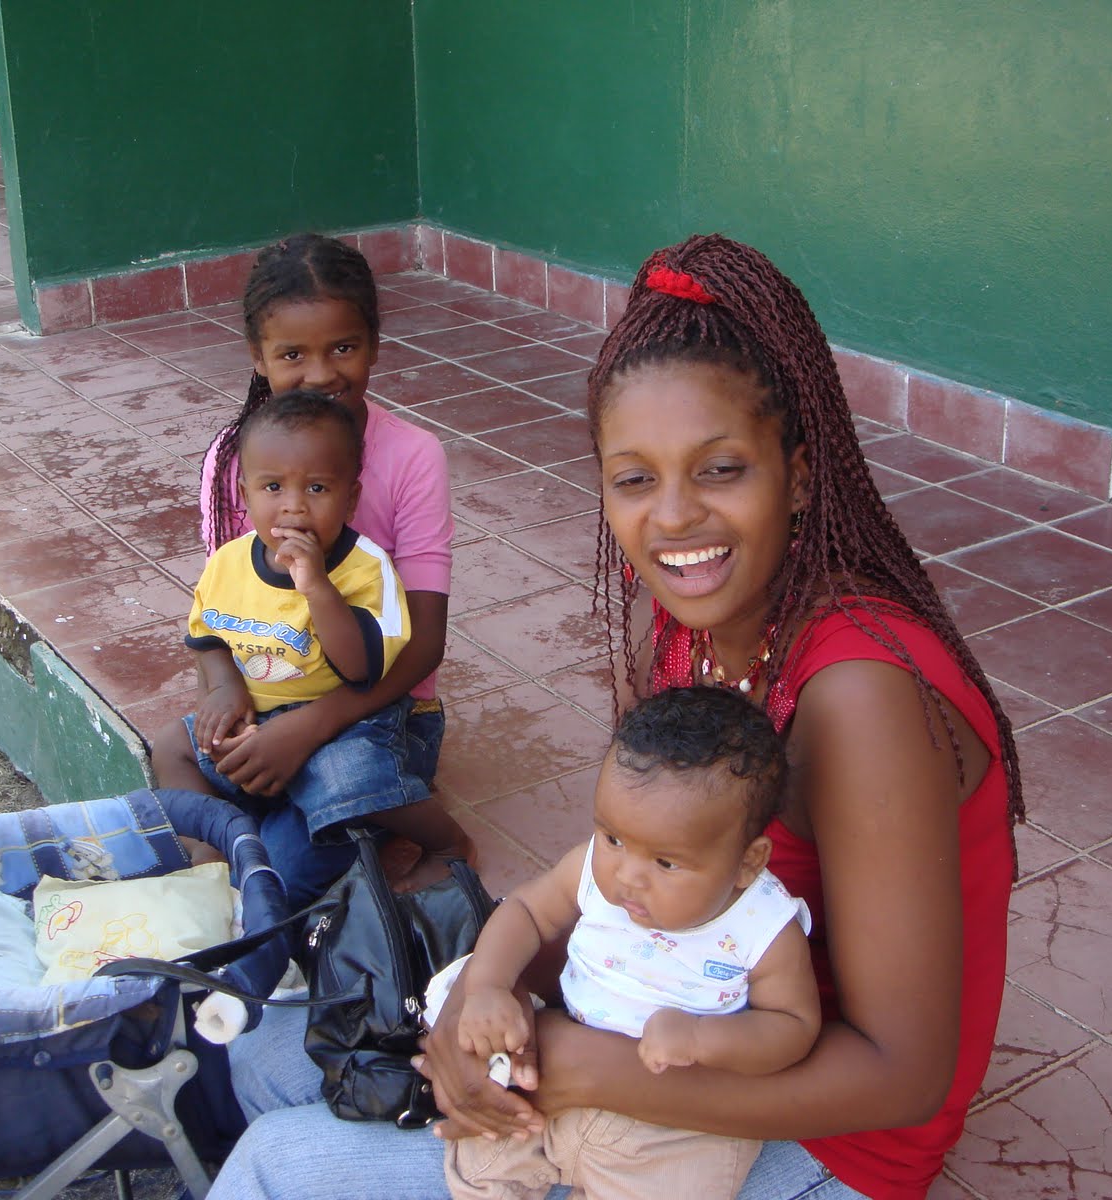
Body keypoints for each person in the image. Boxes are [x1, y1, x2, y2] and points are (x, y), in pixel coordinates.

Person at [211, 232, 1023, 1200]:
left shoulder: (861, 698)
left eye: (720, 469)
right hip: (662, 1036)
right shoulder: (684, 630)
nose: (673, 518)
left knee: (273, 1168)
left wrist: (568, 1064)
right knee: (262, 1057)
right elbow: (620, 881)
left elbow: (902, 1075)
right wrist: (485, 996)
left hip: (822, 1141)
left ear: (798, 475)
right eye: (634, 479)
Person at [150, 233, 467, 900]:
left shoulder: (412, 458)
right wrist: (224, 693)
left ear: (374, 344)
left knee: (294, 862)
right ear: (258, 358)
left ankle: (331, 831)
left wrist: (309, 727)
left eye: (343, 348)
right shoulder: (236, 461)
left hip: (380, 711)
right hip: (269, 694)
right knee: (179, 754)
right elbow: (222, 612)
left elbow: (426, 643)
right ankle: (211, 842)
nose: (321, 373)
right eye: (293, 354)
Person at [440, 686, 819, 1200]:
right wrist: (487, 985)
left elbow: (793, 1028)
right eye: (613, 838)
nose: (627, 877)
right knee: (484, 1147)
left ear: (748, 863)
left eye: (665, 863)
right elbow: (526, 910)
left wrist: (701, 1038)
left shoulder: (765, 927)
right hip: (556, 1077)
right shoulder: (593, 871)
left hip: (680, 1122)